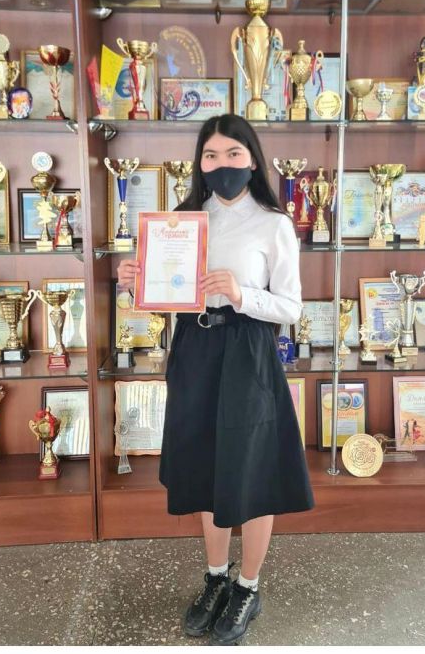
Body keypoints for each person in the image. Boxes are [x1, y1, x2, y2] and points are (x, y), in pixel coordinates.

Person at [118, 114, 314, 645]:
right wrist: (134, 282)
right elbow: (165, 297)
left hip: (247, 350)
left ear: (252, 160)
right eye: (211, 155)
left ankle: (248, 586)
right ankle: (215, 578)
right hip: (195, 346)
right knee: (205, 465)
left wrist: (240, 293)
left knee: (251, 469)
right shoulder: (181, 220)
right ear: (199, 163)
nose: (222, 164)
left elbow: (291, 308)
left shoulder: (273, 224)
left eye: (233, 154)